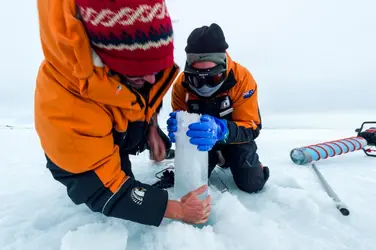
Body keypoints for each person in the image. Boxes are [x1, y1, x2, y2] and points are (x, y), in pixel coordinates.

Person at [34, 0, 211, 227]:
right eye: (137, 75)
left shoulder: (132, 76)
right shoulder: (67, 106)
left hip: (114, 116)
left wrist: (151, 129)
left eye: (155, 71)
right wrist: (176, 209)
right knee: (122, 193)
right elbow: (101, 186)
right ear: (103, 62)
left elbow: (144, 93)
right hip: (79, 159)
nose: (150, 80)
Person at [166, 23, 270, 193]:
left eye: (212, 78)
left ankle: (238, 160)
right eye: (197, 79)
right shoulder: (181, 84)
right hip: (201, 141)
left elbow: (252, 127)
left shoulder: (242, 79)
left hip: (235, 139)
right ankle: (215, 156)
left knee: (252, 183)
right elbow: (180, 118)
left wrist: (222, 130)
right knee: (190, 181)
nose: (205, 86)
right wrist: (178, 128)